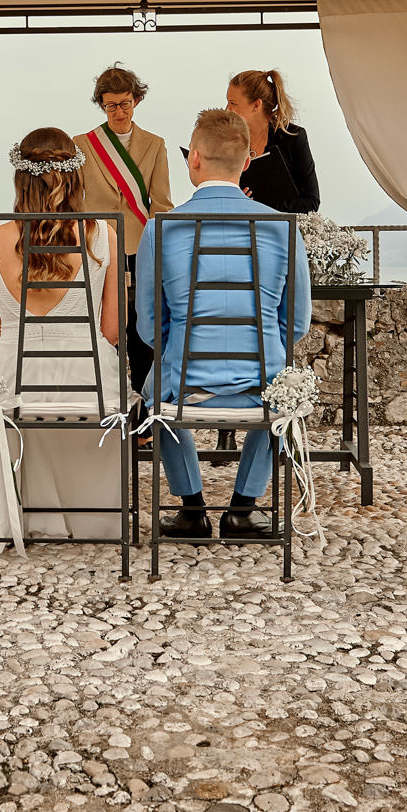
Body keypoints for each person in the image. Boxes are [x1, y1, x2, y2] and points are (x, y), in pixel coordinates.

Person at [138, 110, 312, 541]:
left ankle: (192, 509)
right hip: (262, 384)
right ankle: (242, 509)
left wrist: (180, 350)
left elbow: (149, 325)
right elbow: (296, 321)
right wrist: (264, 350)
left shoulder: (160, 228)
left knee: (155, 386)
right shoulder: (282, 227)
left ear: (193, 158)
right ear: (247, 161)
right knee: (286, 388)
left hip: (184, 384)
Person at [0, 128, 127, 556]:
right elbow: (112, 329)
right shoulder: (103, 235)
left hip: (19, 385)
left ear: (21, 178)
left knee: (15, 396)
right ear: (75, 176)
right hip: (89, 387)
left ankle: (26, 516)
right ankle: (91, 519)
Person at [74, 65, 173, 391]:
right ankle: (107, 406)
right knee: (103, 334)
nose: (118, 112)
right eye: (111, 106)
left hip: (139, 250)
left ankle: (145, 413)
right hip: (97, 250)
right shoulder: (83, 144)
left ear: (137, 100)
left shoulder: (155, 144)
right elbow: (74, 203)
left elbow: (161, 205)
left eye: (125, 104)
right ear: (101, 105)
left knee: (142, 336)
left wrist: (158, 252)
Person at [225, 69, 320, 215]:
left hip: (285, 227)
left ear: (256, 105)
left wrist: (257, 206)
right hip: (241, 225)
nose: (227, 109)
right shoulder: (227, 140)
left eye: (233, 103)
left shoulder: (294, 137)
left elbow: (311, 202)